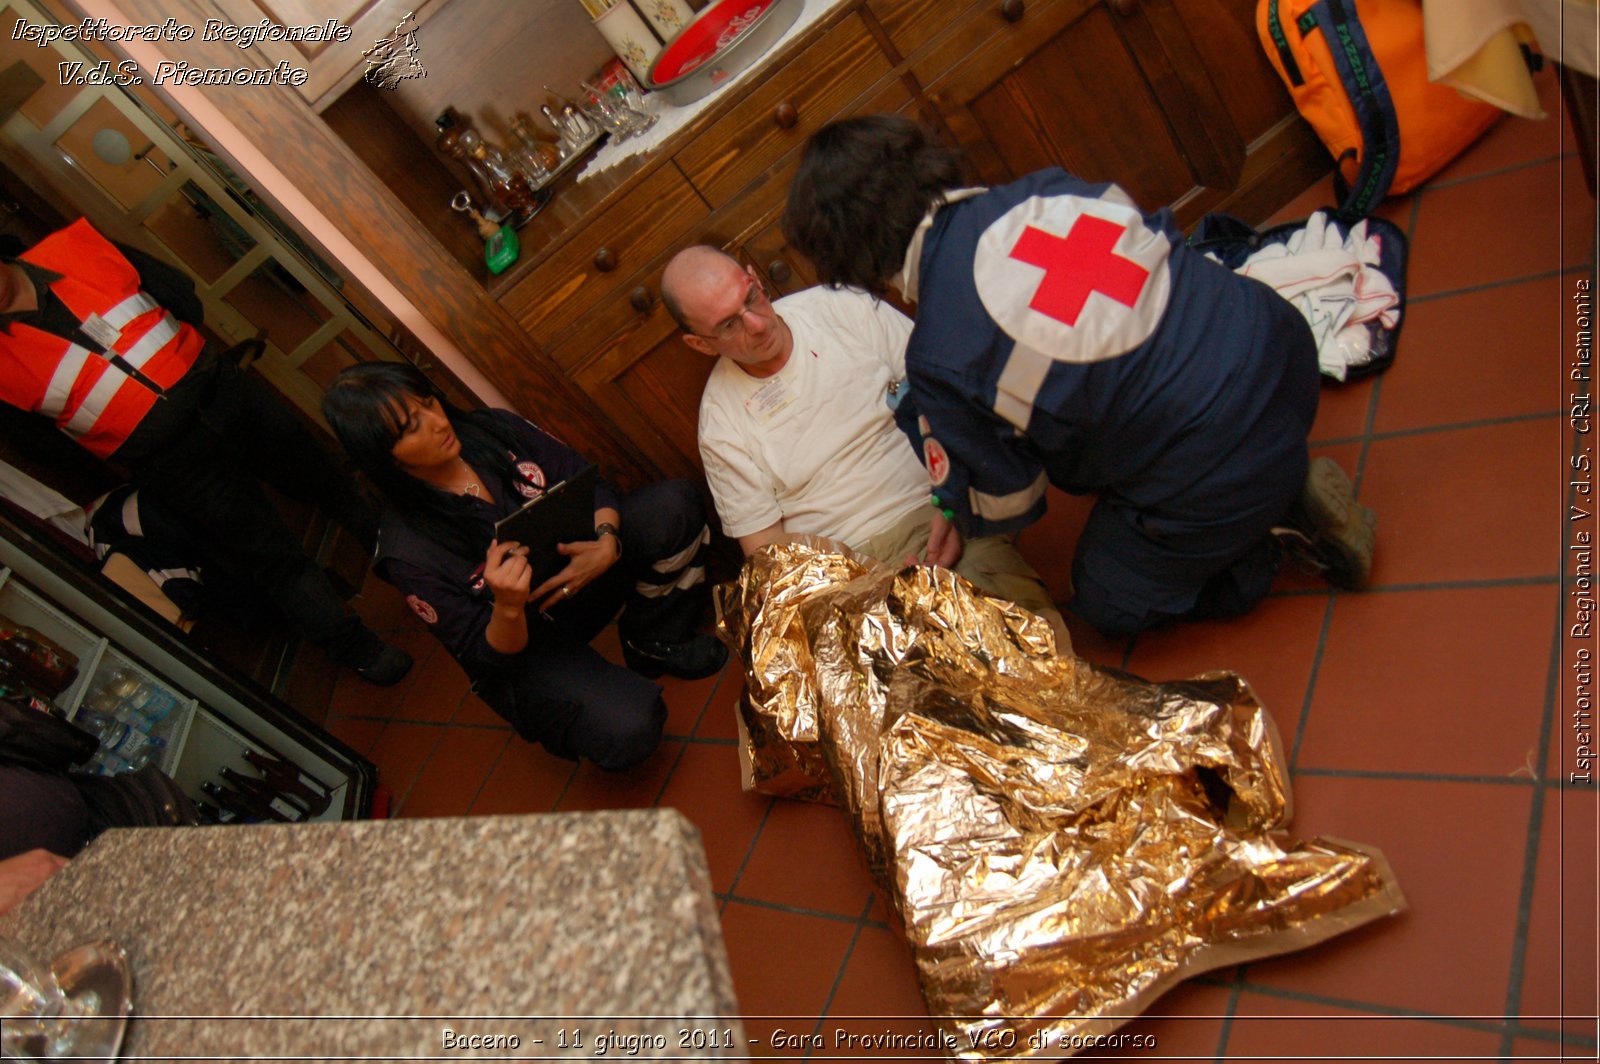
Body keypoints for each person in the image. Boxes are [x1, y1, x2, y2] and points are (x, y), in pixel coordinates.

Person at [782, 115, 1378, 638]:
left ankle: (1273, 530)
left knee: (1108, 600)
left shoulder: (940, 354)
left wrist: (955, 499)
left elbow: (1015, 500)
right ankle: (1270, 472)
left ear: (852, 256)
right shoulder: (1045, 188)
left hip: (1214, 454)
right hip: (1281, 347)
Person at [0, 219, 410, 683]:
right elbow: (43, 446)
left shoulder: (76, 248)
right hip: (174, 465)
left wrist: (182, 368)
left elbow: (178, 292)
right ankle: (360, 651)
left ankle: (416, 571)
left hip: (226, 395)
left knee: (334, 487)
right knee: (273, 557)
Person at [321, 362, 726, 771]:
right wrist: (508, 607)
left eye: (429, 403)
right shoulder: (407, 551)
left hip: (585, 573)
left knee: (674, 506)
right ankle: (587, 700)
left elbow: (593, 484)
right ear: (383, 456)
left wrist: (607, 540)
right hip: (528, 641)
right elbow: (483, 657)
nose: (438, 422)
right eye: (411, 427)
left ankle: (653, 640)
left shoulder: (494, 429)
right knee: (630, 727)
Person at [662, 244, 1069, 645]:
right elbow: (771, 557)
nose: (756, 324)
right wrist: (861, 593)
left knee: (1030, 644)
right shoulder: (720, 421)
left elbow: (949, 404)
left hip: (935, 517)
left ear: (754, 276)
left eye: (751, 297)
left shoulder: (842, 309)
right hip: (844, 571)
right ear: (700, 343)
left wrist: (953, 508)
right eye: (729, 325)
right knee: (916, 691)